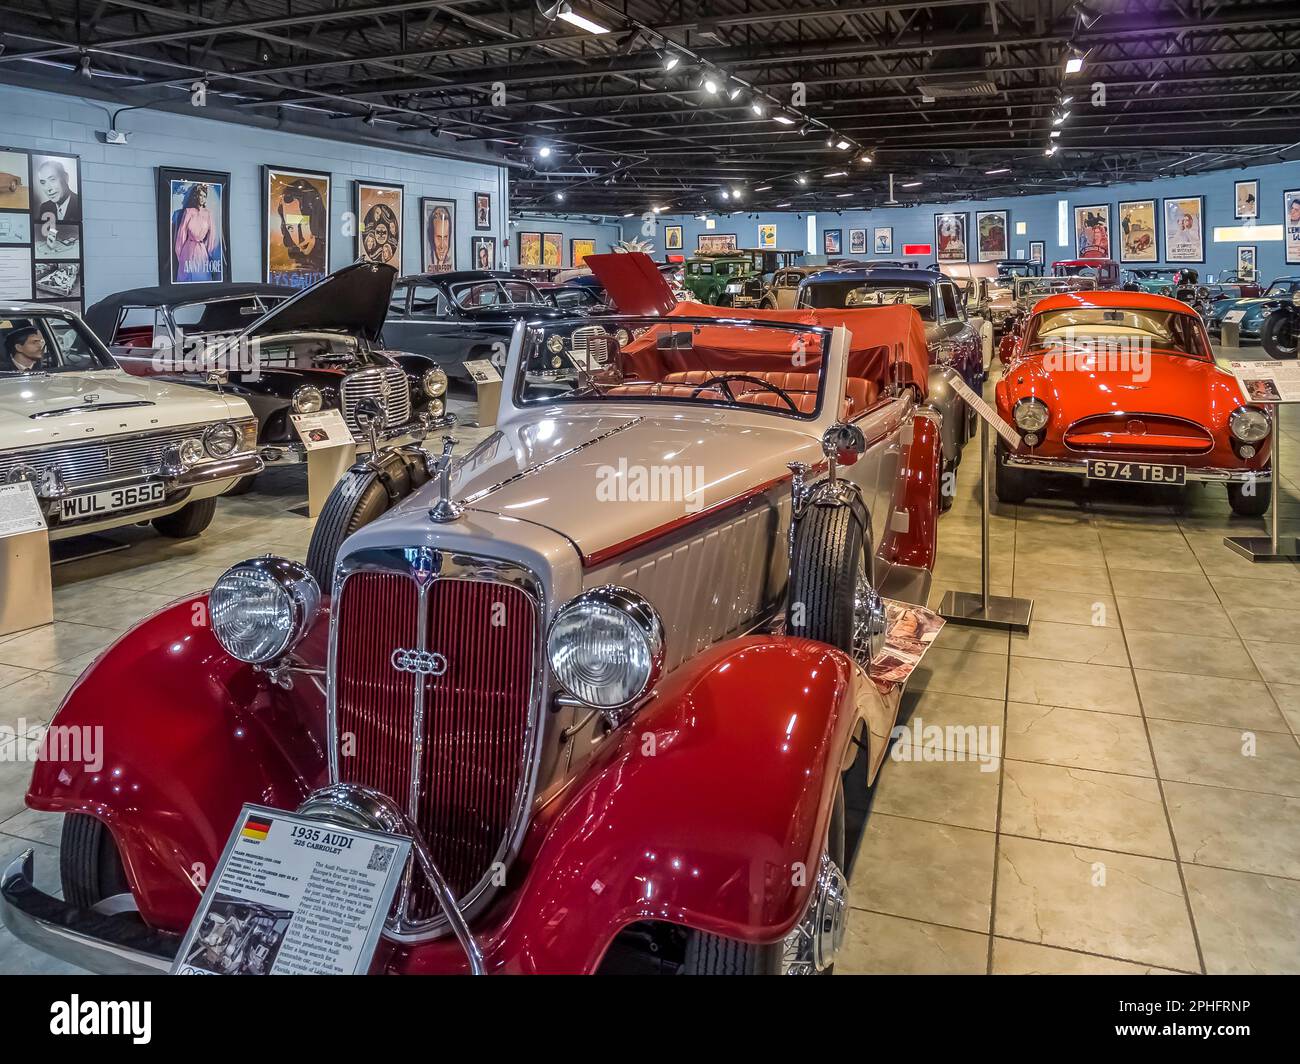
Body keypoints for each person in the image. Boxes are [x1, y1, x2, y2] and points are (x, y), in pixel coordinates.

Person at [173, 182, 221, 282]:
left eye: (204, 196)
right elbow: (181, 235)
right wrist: (180, 254)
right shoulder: (188, 212)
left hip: (201, 251)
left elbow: (212, 236)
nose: (202, 198)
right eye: (200, 195)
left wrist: (209, 253)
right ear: (196, 196)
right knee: (187, 278)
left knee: (201, 277)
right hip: (187, 250)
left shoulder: (208, 214)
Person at [33, 158, 80, 229]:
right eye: (43, 183)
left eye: (52, 179)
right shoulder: (44, 207)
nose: (48, 188)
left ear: (66, 178)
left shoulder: (79, 204)